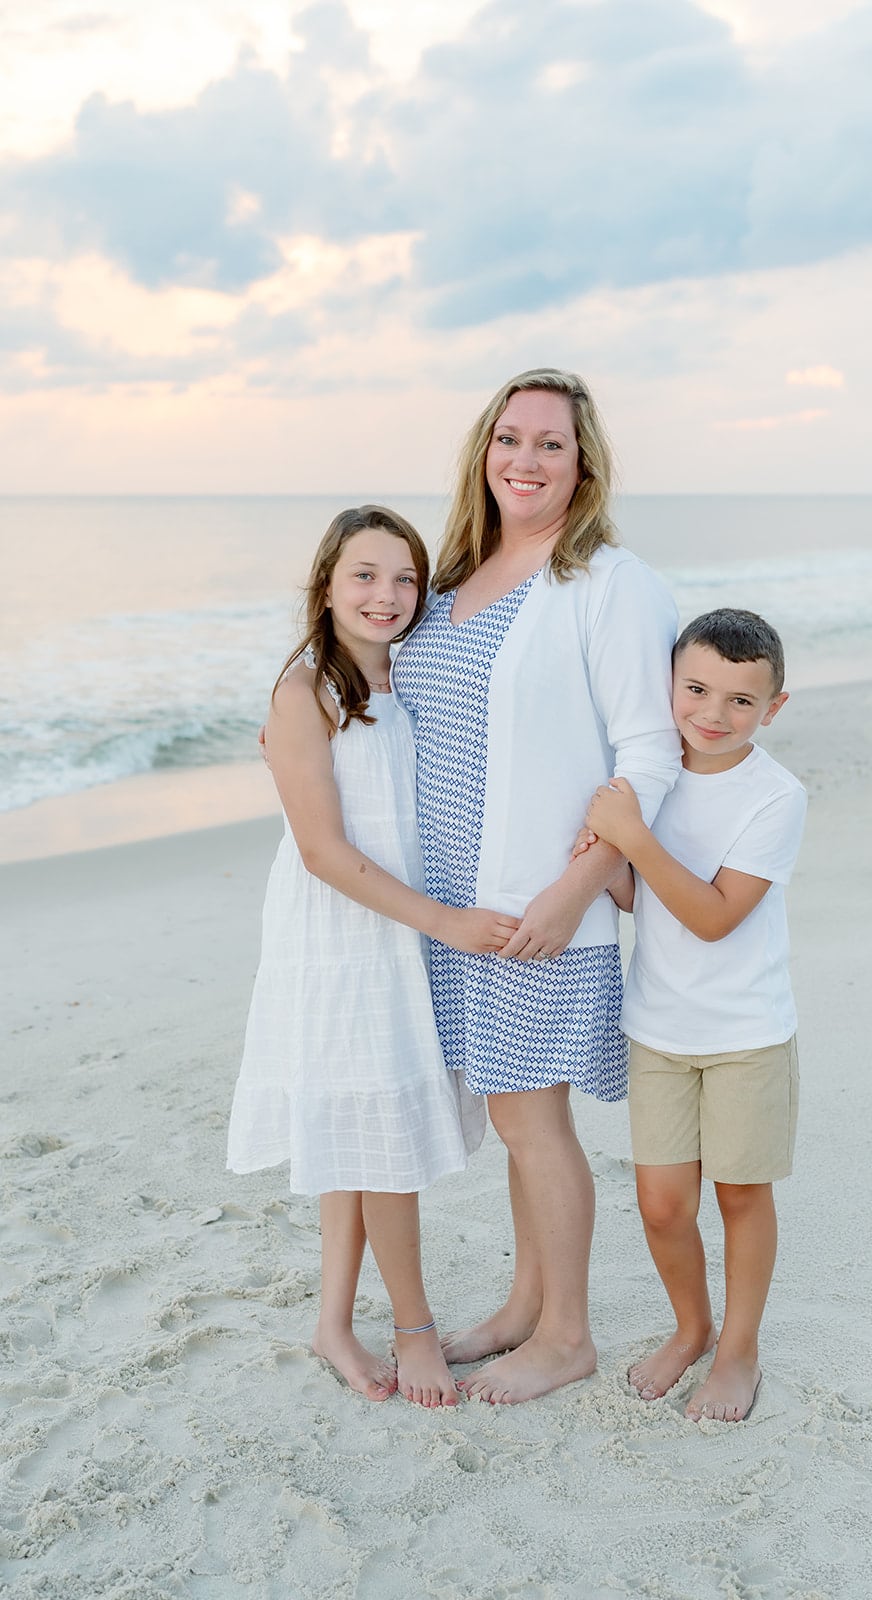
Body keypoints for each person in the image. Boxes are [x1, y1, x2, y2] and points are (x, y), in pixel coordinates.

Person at [392, 369, 680, 1404]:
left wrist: (582, 887)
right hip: (453, 910)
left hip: (532, 907)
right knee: (516, 1114)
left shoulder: (604, 581)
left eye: (550, 444)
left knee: (531, 1119)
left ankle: (565, 1334)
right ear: (483, 451)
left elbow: (651, 751)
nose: (525, 458)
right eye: (508, 438)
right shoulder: (453, 580)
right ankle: (523, 1304)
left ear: (583, 464)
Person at [227, 506, 519, 1409]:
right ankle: (413, 1330)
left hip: (401, 928)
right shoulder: (305, 690)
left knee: (357, 1128)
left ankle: (329, 1324)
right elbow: (322, 850)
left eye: (404, 579)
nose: (385, 596)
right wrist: (445, 922)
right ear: (325, 586)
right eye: (363, 576)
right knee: (380, 1133)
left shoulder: (411, 678)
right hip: (344, 932)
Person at [583, 608, 806, 1422]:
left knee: (741, 1195)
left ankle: (738, 1351)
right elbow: (643, 898)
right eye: (697, 690)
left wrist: (632, 840)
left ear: (773, 709)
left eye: (740, 702)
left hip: (745, 1033)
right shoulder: (648, 777)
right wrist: (608, 858)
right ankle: (692, 1327)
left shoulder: (775, 797)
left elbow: (713, 915)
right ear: (669, 685)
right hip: (658, 1030)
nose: (712, 715)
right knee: (663, 1204)